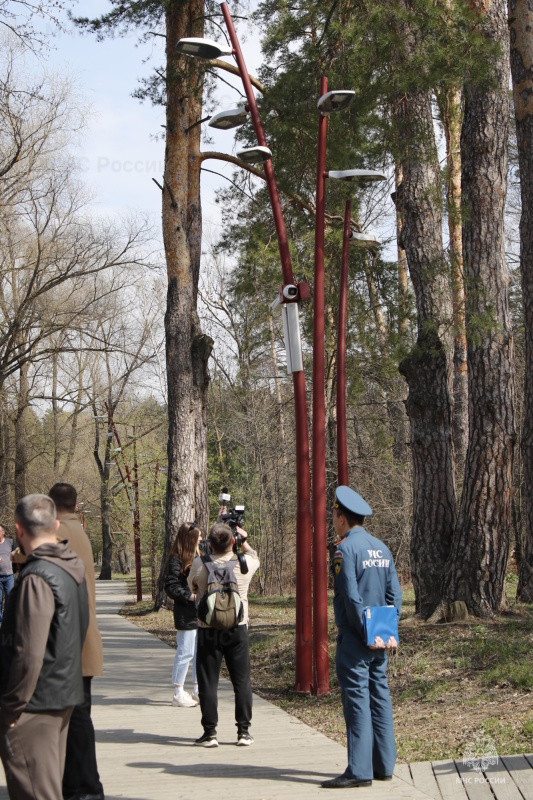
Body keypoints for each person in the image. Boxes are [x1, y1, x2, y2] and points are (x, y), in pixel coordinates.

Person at [0, 494, 89, 800]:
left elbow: (29, 653)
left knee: (36, 792)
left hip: (33, 704)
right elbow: (81, 627)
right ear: (55, 524)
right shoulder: (71, 567)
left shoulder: (38, 576)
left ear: (18, 530)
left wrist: (12, 707)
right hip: (61, 694)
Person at [322, 485, 402, 789]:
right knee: (379, 697)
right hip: (380, 638)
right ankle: (384, 765)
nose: (333, 519)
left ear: (342, 519)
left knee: (357, 700)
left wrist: (366, 633)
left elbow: (352, 597)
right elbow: (395, 594)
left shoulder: (344, 549)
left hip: (357, 639)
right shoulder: (382, 548)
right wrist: (386, 631)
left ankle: (359, 770)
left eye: (334, 515)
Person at [48, 482, 105, 800]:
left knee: (77, 716)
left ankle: (86, 787)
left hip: (71, 640)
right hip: (84, 636)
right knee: (78, 714)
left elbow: (30, 553)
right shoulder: (78, 530)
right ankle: (77, 784)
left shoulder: (60, 534)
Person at [188, 521, 259, 748]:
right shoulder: (244, 563)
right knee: (241, 681)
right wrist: (244, 542)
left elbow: (192, 587)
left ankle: (210, 733)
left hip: (208, 630)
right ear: (232, 542)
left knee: (208, 682)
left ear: (209, 544)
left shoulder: (200, 564)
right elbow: (255, 556)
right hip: (238, 629)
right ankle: (244, 732)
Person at [164, 522, 201, 707]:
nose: (201, 539)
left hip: (198, 614)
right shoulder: (176, 560)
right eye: (198, 537)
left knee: (198, 651)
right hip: (185, 613)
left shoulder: (196, 556)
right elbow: (171, 586)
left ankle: (197, 689)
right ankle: (178, 692)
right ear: (190, 539)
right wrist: (189, 596)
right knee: (185, 651)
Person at [0, 524, 14, 624]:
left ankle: (7, 620)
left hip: (9, 576)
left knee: (10, 598)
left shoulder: (10, 542)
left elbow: (18, 553)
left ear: (3, 532)